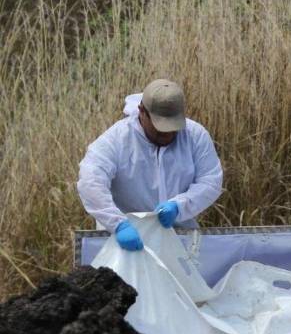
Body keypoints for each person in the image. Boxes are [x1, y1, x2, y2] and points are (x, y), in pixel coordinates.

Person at [77, 79, 223, 251]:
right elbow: (91, 183)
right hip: (126, 240)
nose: (167, 134)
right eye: (160, 127)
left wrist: (179, 206)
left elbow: (210, 180)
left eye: (173, 127)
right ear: (142, 112)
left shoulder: (195, 136)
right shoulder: (116, 140)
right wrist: (118, 225)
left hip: (179, 237)